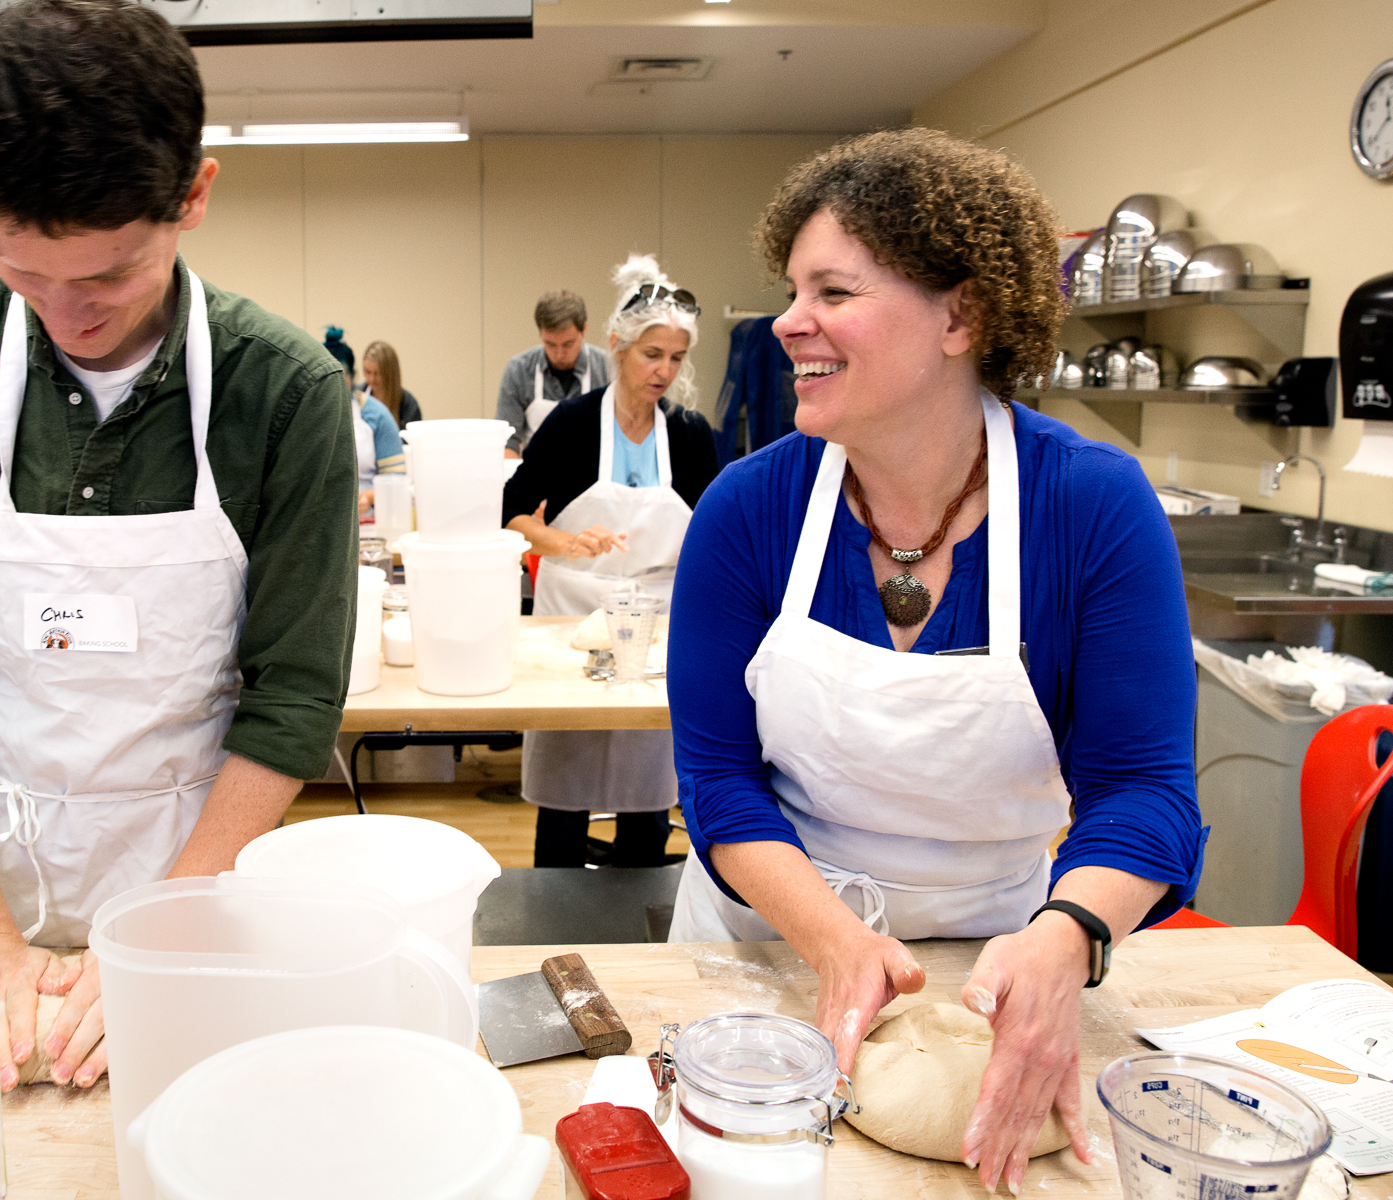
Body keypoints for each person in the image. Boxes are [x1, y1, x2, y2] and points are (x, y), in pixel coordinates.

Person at [665, 129, 1204, 1194]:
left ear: (960, 315)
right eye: (792, 288)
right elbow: (718, 780)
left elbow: (1146, 794)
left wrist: (1065, 942)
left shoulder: (1091, 508)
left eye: (834, 289)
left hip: (996, 964)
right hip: (770, 944)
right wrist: (832, 941)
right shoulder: (749, 511)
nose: (788, 322)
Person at [0, 0, 356, 1094]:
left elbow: (295, 697)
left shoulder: (285, 393)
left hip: (191, 879)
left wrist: (160, 938)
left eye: (108, 276)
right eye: (24, 274)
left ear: (194, 196)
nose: (67, 313)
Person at [503, 255, 717, 867]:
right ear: (618, 346)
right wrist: (564, 543)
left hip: (657, 625)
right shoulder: (570, 425)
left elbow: (715, 535)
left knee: (646, 781)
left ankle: (638, 916)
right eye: (653, 354)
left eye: (676, 358)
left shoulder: (691, 434)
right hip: (572, 618)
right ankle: (555, 909)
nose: (665, 371)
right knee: (568, 782)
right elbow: (512, 512)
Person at [496, 291, 612, 458]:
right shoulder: (519, 370)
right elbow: (508, 442)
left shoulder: (607, 368)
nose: (559, 354)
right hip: (536, 476)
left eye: (568, 344)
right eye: (550, 344)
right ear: (540, 332)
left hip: (593, 476)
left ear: (584, 329)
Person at [323, 327, 402, 512]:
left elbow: (397, 479)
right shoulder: (307, 415)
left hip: (367, 520)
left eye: (341, 376)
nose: (334, 384)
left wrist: (368, 496)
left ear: (353, 376)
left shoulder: (376, 415)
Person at [361, 340, 421, 429]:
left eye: (378, 373)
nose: (372, 379)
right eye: (368, 372)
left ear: (390, 373)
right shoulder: (357, 396)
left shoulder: (408, 405)